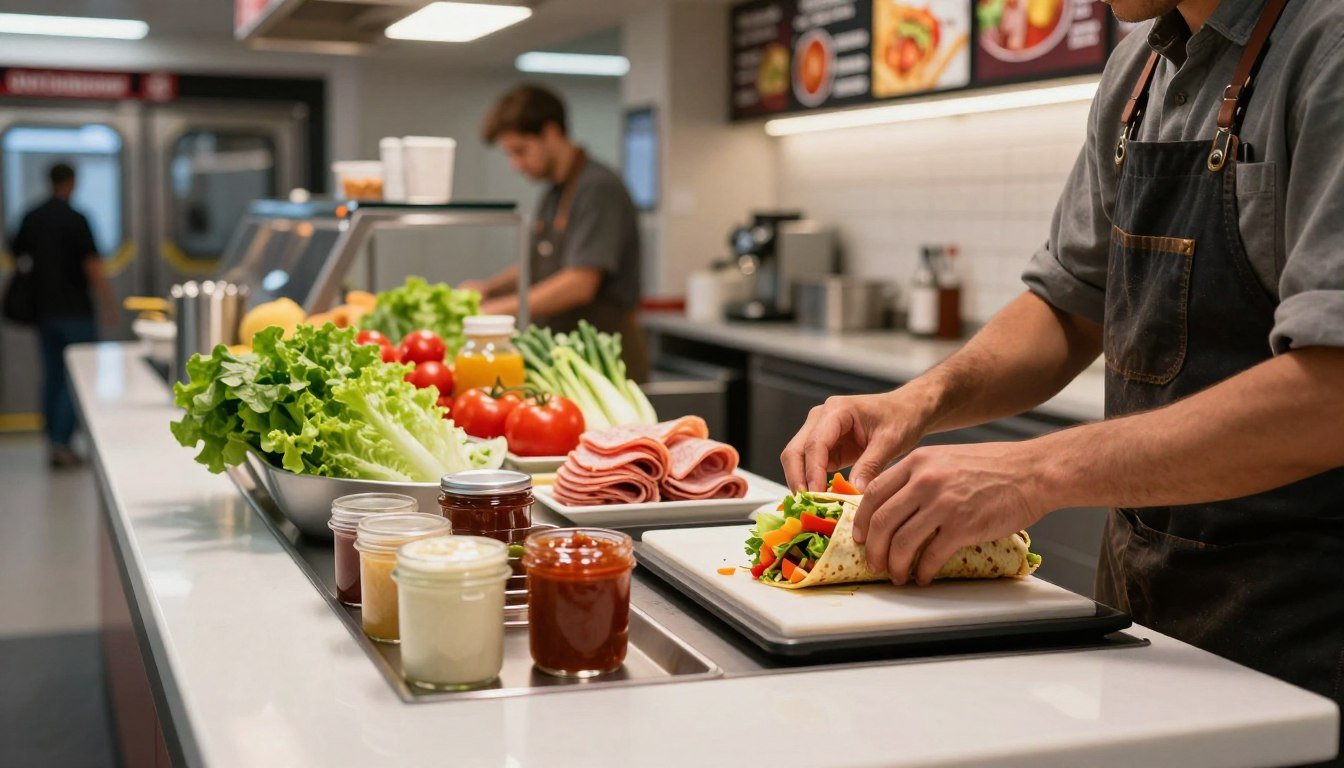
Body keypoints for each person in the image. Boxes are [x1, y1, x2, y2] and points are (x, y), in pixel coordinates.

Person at [782, 0, 1344, 757]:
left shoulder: (1326, 46)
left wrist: (1034, 472)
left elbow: (1331, 395)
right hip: (1146, 610)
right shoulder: (1138, 68)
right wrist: (914, 403)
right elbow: (1070, 306)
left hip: (1305, 629)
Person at [469, 84, 649, 381]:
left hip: (604, 360)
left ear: (550, 132)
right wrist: (488, 288)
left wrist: (497, 313)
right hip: (567, 354)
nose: (515, 165)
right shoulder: (554, 192)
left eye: (521, 151)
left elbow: (580, 282)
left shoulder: (598, 188)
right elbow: (538, 264)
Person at [10, 162, 117, 467]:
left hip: (44, 311)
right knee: (76, 377)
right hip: (76, 311)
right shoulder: (76, 219)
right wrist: (109, 303)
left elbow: (18, 254)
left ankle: (53, 440)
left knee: (53, 375)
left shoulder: (31, 217)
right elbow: (92, 265)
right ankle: (62, 442)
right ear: (72, 182)